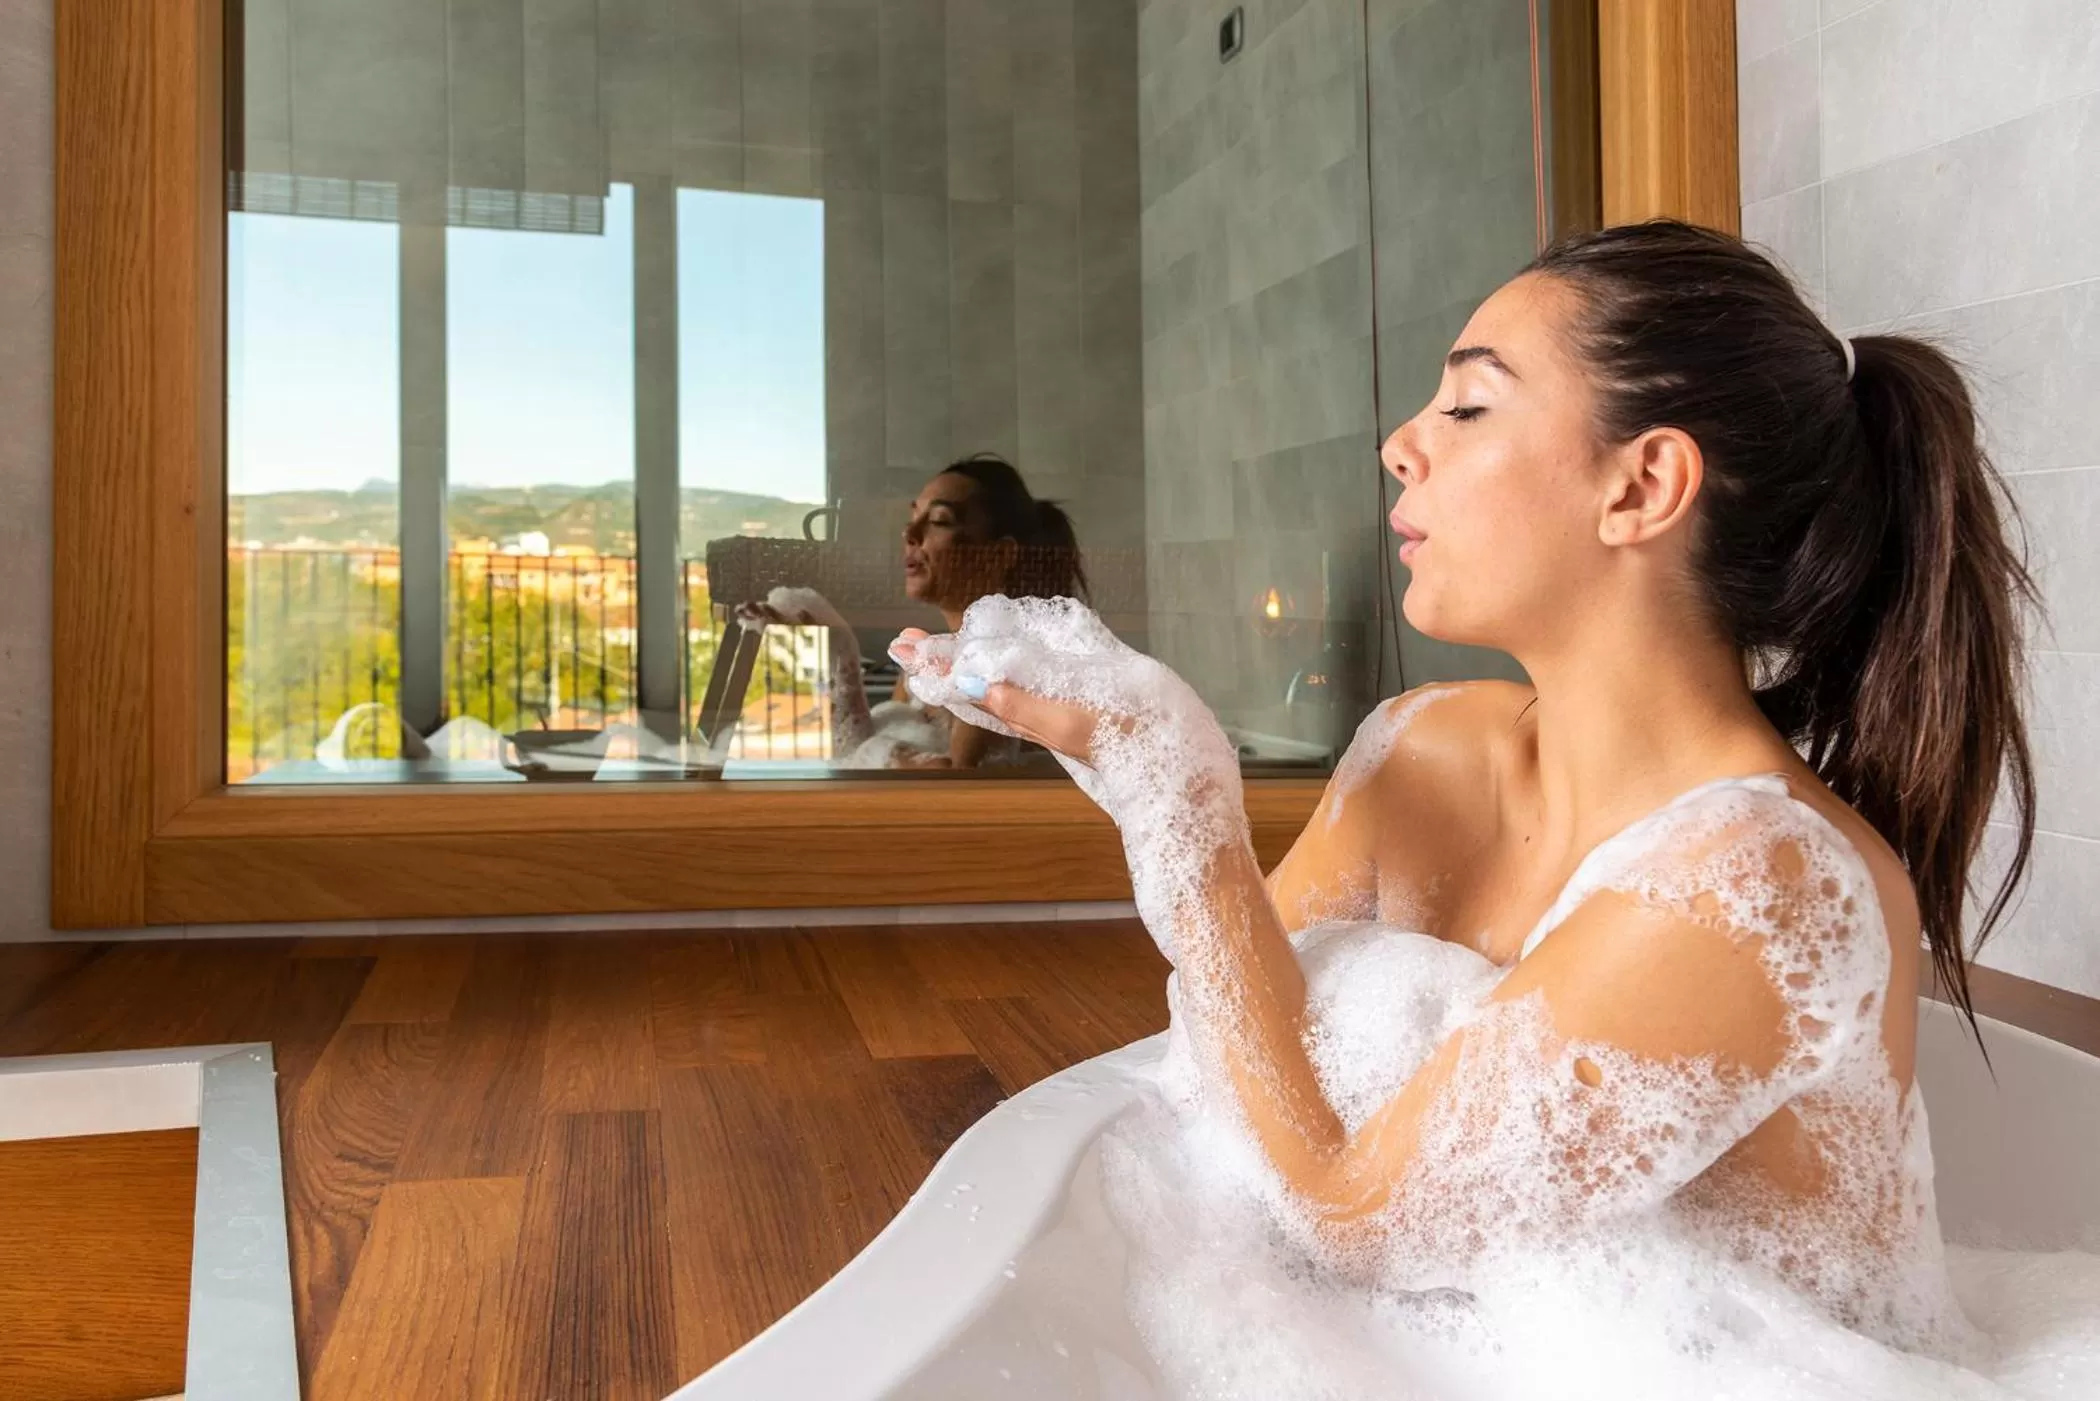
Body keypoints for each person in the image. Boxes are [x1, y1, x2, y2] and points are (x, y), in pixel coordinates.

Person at [890, 221, 2037, 1343]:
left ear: (1642, 487)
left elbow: (1356, 1219)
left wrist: (1178, 801)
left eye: (1469, 405)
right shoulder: (1425, 749)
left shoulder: (1764, 882)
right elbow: (1231, 1059)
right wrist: (1142, 774)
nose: (1402, 443)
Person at [742, 453, 1086, 768]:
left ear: (1000, 554)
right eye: (913, 516)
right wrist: (829, 653)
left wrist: (841, 650)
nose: (910, 532)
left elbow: (950, 792)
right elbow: (855, 752)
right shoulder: (925, 667)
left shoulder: (995, 670)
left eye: (939, 520)